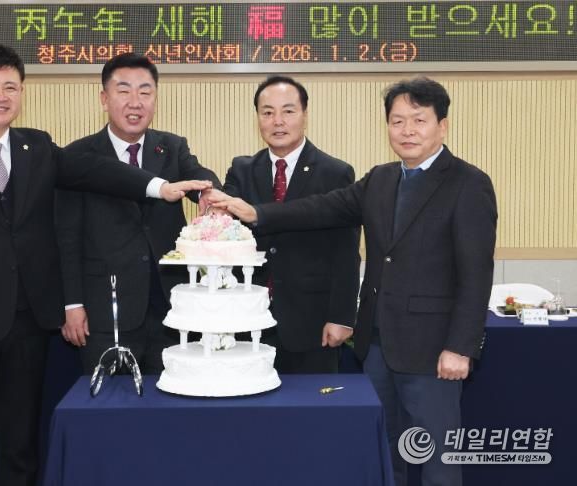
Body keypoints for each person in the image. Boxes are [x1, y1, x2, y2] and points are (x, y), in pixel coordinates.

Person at [0, 43, 209, 486]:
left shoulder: (36, 146)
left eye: (10, 87)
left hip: (27, 320)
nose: (1, 96)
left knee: (22, 442)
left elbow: (96, 171)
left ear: (22, 92)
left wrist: (158, 188)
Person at [211, 77, 497, 486]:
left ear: (443, 126)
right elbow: (321, 208)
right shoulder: (381, 178)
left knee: (438, 460)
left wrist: (460, 347)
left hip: (433, 350)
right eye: (397, 121)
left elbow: (476, 274)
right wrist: (257, 213)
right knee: (383, 453)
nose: (407, 130)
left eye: (419, 120)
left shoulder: (468, 183)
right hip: (376, 345)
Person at [55, 53, 221, 374]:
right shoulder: (77, 156)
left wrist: (208, 191)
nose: (135, 102)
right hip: (106, 311)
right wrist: (72, 304)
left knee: (174, 395)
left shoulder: (171, 147)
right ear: (104, 99)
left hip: (170, 308)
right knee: (109, 399)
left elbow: (196, 173)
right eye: (124, 91)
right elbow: (66, 238)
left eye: (145, 92)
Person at [220, 75, 359, 373]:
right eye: (267, 112)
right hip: (248, 318)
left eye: (288, 111)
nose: (277, 121)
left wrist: (342, 317)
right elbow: (225, 223)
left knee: (310, 402)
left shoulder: (335, 173)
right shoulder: (242, 169)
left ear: (305, 115)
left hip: (311, 322)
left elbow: (347, 252)